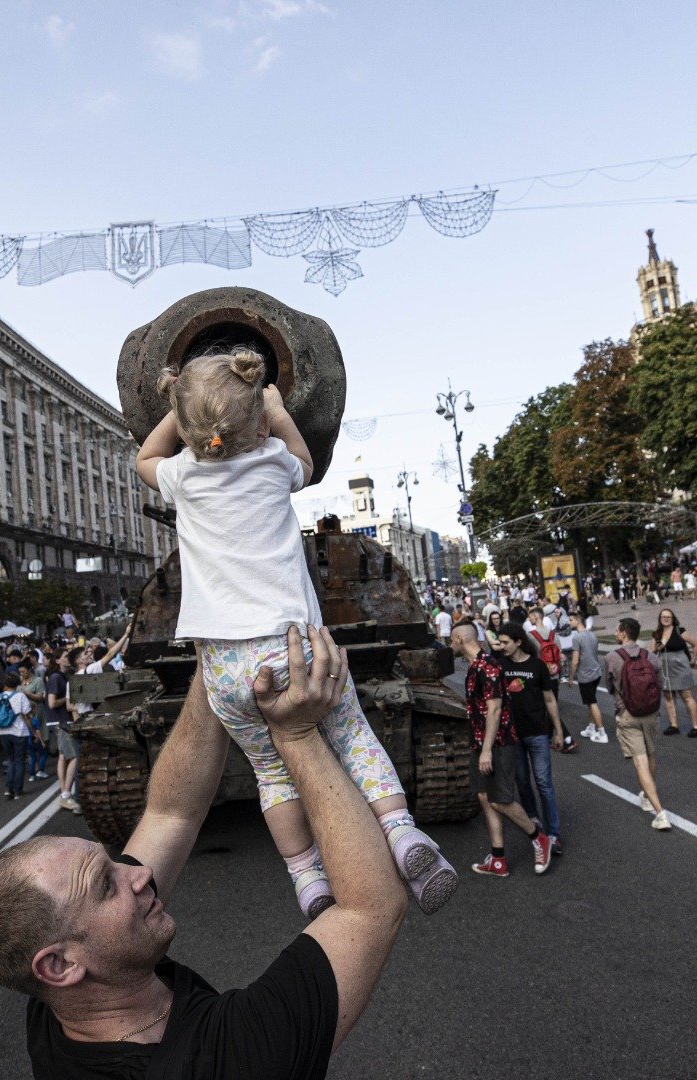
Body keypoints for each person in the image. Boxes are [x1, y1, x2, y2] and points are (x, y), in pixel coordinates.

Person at [0, 626, 405, 1077]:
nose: (137, 874)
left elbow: (171, 813)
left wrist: (214, 657)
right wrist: (297, 736)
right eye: (104, 886)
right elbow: (369, 908)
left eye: (110, 864)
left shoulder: (60, 1004)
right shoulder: (226, 1060)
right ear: (60, 965)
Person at [134, 346, 455, 916]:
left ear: (188, 430)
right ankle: (403, 834)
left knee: (270, 771)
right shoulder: (273, 464)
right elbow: (306, 458)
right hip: (293, 647)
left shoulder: (181, 476)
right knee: (354, 736)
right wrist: (276, 408)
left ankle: (307, 877)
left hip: (225, 670)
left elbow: (146, 458)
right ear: (259, 423)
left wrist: (179, 408)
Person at [448, 623, 551, 878]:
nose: (449, 645)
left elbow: (494, 710)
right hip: (480, 742)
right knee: (484, 796)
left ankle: (540, 838)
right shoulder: (474, 667)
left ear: (460, 639)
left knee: (500, 799)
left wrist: (486, 751)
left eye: (451, 640)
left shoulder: (489, 667)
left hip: (497, 744)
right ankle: (498, 859)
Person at [490, 627, 564, 856]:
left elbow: (550, 700)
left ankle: (554, 834)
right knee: (522, 781)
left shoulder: (537, 665)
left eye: (505, 642)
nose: (502, 647)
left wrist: (558, 730)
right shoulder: (500, 666)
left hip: (538, 733)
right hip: (512, 736)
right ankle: (534, 822)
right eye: (500, 643)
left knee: (543, 782)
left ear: (518, 642)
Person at [602, 618, 673, 831]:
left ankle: (659, 811)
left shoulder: (612, 657)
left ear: (624, 633)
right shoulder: (650, 656)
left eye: (617, 630)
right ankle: (646, 794)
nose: (615, 632)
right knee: (651, 755)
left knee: (639, 761)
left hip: (627, 713)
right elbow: (660, 683)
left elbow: (610, 686)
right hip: (651, 712)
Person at [651, 608, 697, 737]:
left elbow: (696, 644)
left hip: (680, 665)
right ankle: (673, 725)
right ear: (660, 618)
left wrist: (694, 659)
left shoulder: (680, 631)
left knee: (686, 696)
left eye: (668, 616)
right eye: (663, 616)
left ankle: (696, 727)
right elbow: (651, 651)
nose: (666, 618)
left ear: (673, 618)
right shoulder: (657, 633)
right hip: (664, 665)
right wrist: (656, 649)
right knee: (669, 696)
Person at [45, 654, 79, 810]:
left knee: (63, 756)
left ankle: (64, 792)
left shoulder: (63, 676)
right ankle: (65, 794)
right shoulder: (56, 678)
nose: (67, 658)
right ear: (57, 660)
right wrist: (68, 699)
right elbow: (51, 703)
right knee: (73, 756)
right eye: (64, 656)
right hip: (61, 722)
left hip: (62, 721)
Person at [0, 671, 34, 801]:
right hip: (19, 732)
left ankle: (8, 789)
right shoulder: (20, 696)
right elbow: (27, 715)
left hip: (3, 733)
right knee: (19, 761)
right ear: (17, 684)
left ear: (5, 684)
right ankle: (18, 791)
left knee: (11, 760)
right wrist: (32, 731)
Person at [572, 620, 608, 743]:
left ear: (578, 621)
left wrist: (571, 677)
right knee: (590, 702)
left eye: (571, 619)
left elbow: (575, 661)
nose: (569, 621)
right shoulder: (592, 634)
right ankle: (591, 728)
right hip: (596, 673)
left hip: (585, 675)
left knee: (592, 702)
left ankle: (602, 733)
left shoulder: (576, 637)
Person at [18, 660, 52, 782]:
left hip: (37, 712)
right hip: (25, 715)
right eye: (20, 672)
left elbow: (41, 696)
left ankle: (39, 768)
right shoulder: (19, 682)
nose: (22, 674)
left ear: (30, 670)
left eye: (24, 671)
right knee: (30, 743)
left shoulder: (37, 681)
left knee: (41, 737)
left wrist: (27, 693)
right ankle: (37, 769)